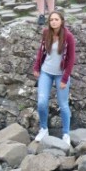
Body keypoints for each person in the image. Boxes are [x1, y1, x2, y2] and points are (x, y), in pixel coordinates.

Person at [32, 11, 76, 146]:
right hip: (46, 72)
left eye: (56, 19)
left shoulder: (68, 36)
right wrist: (36, 67)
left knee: (63, 105)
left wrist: (65, 79)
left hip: (61, 75)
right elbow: (41, 51)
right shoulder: (46, 33)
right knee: (41, 102)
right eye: (51, 19)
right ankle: (44, 129)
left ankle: (66, 133)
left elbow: (71, 59)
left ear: (61, 21)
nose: (54, 22)